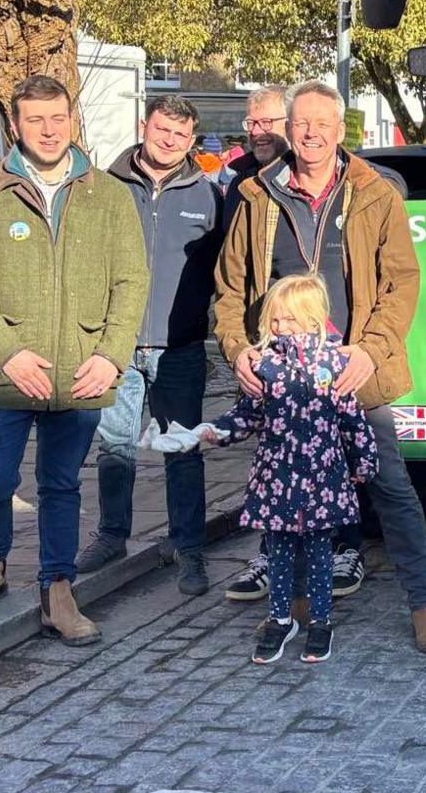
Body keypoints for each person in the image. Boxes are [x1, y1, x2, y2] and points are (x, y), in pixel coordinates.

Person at [214, 80, 426, 652]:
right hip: (285, 379)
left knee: (391, 489)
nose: (312, 134)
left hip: (355, 373)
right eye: (301, 125)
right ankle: (294, 608)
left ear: (340, 129)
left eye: (323, 123)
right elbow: (229, 290)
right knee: (288, 496)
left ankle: (424, 605)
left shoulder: (374, 192)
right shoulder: (255, 196)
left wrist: (368, 350)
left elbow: (402, 282)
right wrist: (239, 350)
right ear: (287, 131)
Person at [0, 75, 149, 646]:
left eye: (57, 118)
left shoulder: (107, 195)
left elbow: (131, 280)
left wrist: (111, 355)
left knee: (60, 484)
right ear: (14, 125)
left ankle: (58, 589)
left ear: (72, 119)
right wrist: (7, 354)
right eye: (35, 119)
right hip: (2, 371)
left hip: (80, 371)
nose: (48, 129)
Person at [150, 274, 377, 665]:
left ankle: (321, 621)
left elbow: (353, 420)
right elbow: (246, 416)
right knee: (279, 553)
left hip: (323, 479)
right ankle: (280, 617)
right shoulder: (266, 367)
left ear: (313, 319)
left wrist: (365, 460)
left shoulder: (335, 364)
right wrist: (210, 432)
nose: (280, 327)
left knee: (322, 554)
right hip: (278, 478)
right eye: (274, 320)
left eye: (289, 319)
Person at [73, 96, 224, 595]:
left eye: (181, 136)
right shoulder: (103, 186)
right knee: (114, 447)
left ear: (192, 140)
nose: (169, 141)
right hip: (114, 345)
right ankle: (113, 535)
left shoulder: (210, 196)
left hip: (179, 348)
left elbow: (222, 272)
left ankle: (190, 549)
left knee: (182, 449)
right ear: (145, 126)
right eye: (162, 130)